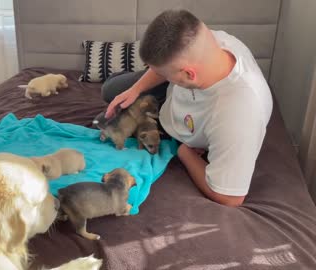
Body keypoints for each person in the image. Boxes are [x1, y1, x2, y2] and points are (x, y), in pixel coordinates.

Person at [103, 10, 273, 207]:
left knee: (107, 123)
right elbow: (172, 67)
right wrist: (135, 90)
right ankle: (151, 80)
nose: (154, 73)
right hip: (175, 95)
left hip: (183, 128)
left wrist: (185, 152)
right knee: (111, 90)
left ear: (189, 74)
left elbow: (230, 198)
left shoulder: (236, 115)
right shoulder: (211, 42)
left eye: (159, 72)